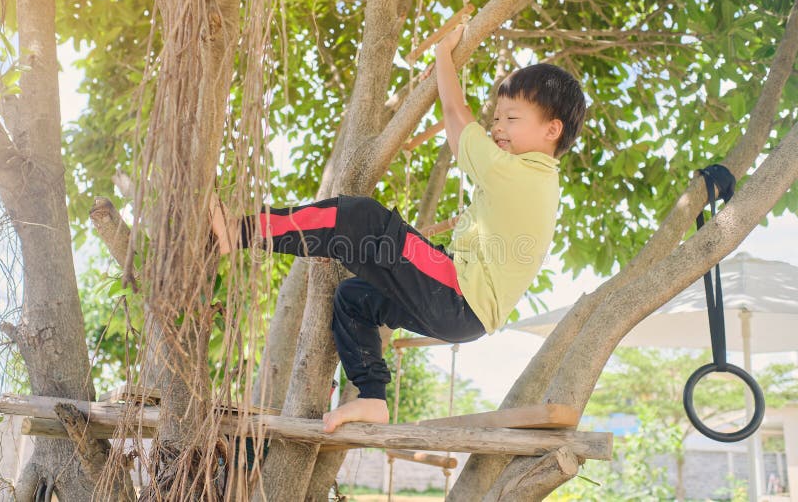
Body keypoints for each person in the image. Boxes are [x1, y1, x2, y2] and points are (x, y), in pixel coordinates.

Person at [209, 24, 587, 432]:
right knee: (354, 298)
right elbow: (462, 124)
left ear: (552, 130)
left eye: (511, 118)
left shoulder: (518, 173)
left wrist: (445, 57)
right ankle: (372, 397)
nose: (497, 127)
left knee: (361, 219)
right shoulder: (536, 180)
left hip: (456, 294)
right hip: (462, 310)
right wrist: (440, 77)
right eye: (496, 117)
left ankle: (240, 231)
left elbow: (457, 119)